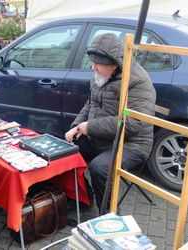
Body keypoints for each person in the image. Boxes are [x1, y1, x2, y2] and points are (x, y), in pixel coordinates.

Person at [65, 33, 156, 211]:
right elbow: (90, 103)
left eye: (98, 64)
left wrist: (89, 127)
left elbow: (133, 123)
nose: (93, 68)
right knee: (65, 151)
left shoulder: (138, 80)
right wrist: (76, 127)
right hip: (100, 138)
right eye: (93, 62)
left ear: (115, 65)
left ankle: (108, 217)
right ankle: (84, 199)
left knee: (99, 169)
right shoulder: (101, 74)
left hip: (132, 144)